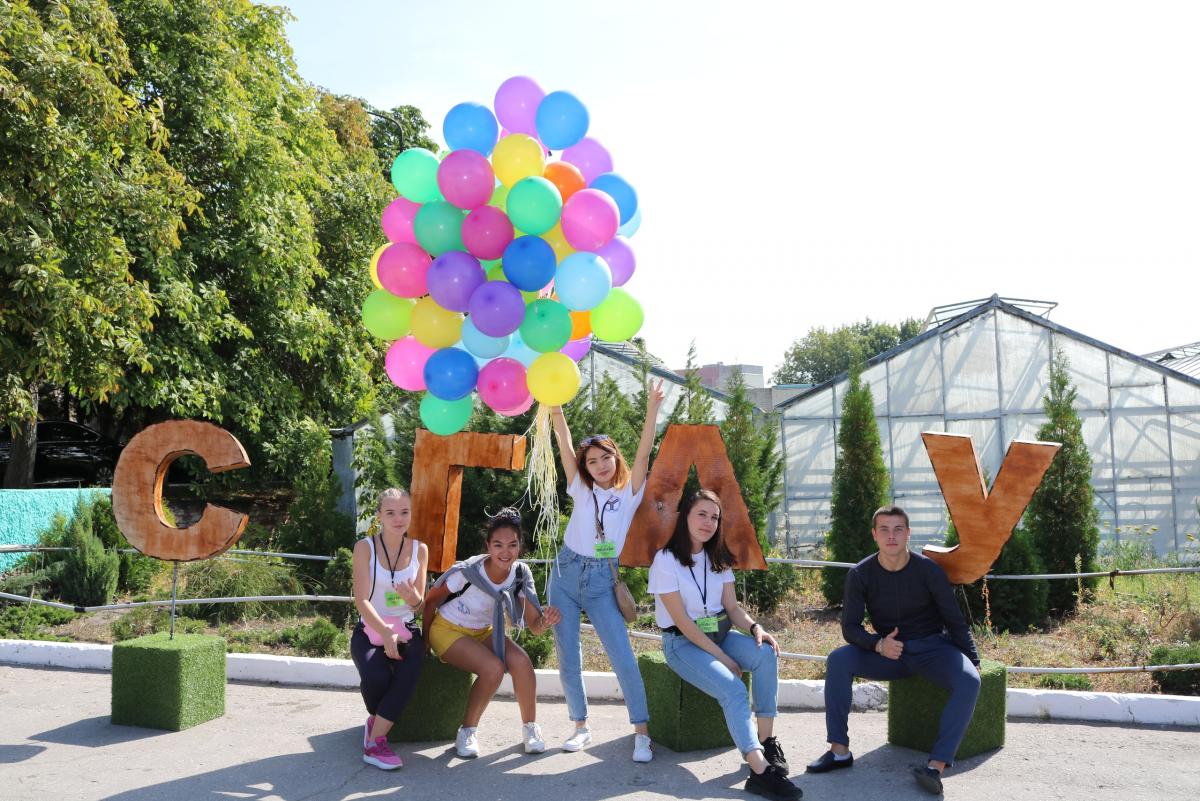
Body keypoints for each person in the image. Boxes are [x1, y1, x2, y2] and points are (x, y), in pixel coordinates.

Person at [806, 505, 982, 796]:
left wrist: (973, 660)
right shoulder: (860, 574)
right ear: (875, 535)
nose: (891, 536)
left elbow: (954, 620)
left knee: (970, 680)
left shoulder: (929, 570)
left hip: (932, 650)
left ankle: (934, 768)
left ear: (908, 534)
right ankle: (839, 751)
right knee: (839, 660)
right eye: (884, 530)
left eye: (898, 529)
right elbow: (850, 627)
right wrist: (878, 644)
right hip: (888, 653)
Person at [649, 489, 802, 801]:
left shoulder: (717, 556)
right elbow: (683, 623)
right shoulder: (665, 560)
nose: (708, 522)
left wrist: (756, 627)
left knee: (765, 654)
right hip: (682, 644)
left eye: (714, 517)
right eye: (702, 514)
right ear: (685, 517)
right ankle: (760, 772)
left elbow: (732, 609)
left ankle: (766, 741)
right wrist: (721, 656)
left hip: (719, 634)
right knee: (733, 687)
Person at [547, 379, 664, 761]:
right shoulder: (581, 488)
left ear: (616, 458)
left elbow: (645, 452)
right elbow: (564, 445)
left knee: (622, 655)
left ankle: (642, 732)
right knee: (568, 654)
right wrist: (555, 408)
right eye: (592, 461)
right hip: (565, 572)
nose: (599, 466)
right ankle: (580, 726)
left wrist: (652, 408)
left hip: (602, 579)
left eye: (605, 458)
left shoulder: (628, 493)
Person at [423, 508, 562, 759]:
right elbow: (431, 601)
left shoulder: (521, 574)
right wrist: (424, 643)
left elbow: (534, 626)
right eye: (498, 545)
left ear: (520, 546)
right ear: (488, 545)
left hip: (482, 632)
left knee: (522, 662)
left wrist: (546, 621)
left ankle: (531, 729)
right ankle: (467, 732)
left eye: (512, 545)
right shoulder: (469, 571)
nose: (505, 552)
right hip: (447, 629)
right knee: (493, 668)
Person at [350, 487, 429, 770]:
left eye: (405, 512)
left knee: (409, 670)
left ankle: (375, 742)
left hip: (407, 629)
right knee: (376, 677)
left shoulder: (420, 549)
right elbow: (360, 600)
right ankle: (377, 721)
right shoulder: (364, 548)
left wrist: (413, 599)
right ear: (379, 515)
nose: (399, 519)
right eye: (391, 512)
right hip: (371, 629)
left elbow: (419, 605)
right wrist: (384, 633)